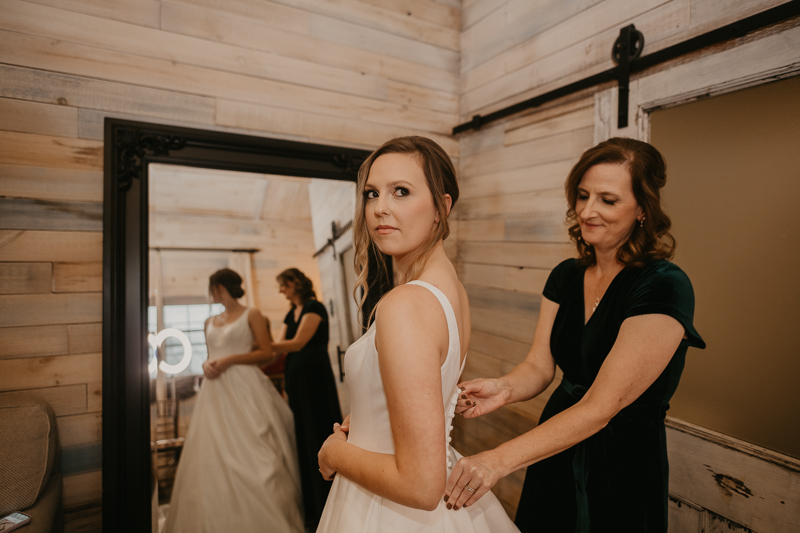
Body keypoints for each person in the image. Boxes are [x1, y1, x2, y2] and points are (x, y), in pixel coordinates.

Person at [445, 138, 706, 532]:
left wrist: (498, 459)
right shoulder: (566, 275)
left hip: (621, 460)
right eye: (582, 196)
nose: (588, 211)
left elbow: (602, 406)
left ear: (642, 209)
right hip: (556, 442)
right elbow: (539, 365)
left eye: (608, 200)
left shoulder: (664, 285)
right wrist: (504, 387)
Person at [316, 136, 519, 532]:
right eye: (372, 194)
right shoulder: (451, 292)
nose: (379, 209)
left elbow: (422, 485)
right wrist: (372, 415)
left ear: (442, 208)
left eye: (401, 192)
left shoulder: (406, 304)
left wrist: (334, 453)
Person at [165, 268, 304, 533]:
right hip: (215, 389)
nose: (213, 294)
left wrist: (230, 360)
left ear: (219, 287)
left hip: (245, 384)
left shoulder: (252, 314)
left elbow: (265, 352)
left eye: (213, 288)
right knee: (212, 449)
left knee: (257, 445)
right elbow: (210, 354)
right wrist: (207, 365)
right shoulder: (210, 321)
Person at [271, 268, 342, 531]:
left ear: (294, 283)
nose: (281, 291)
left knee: (316, 429)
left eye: (283, 285)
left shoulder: (315, 307)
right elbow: (282, 343)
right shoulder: (292, 312)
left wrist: (260, 346)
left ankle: (327, 498)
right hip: (297, 381)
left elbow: (298, 343)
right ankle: (311, 505)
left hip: (314, 380)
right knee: (302, 433)